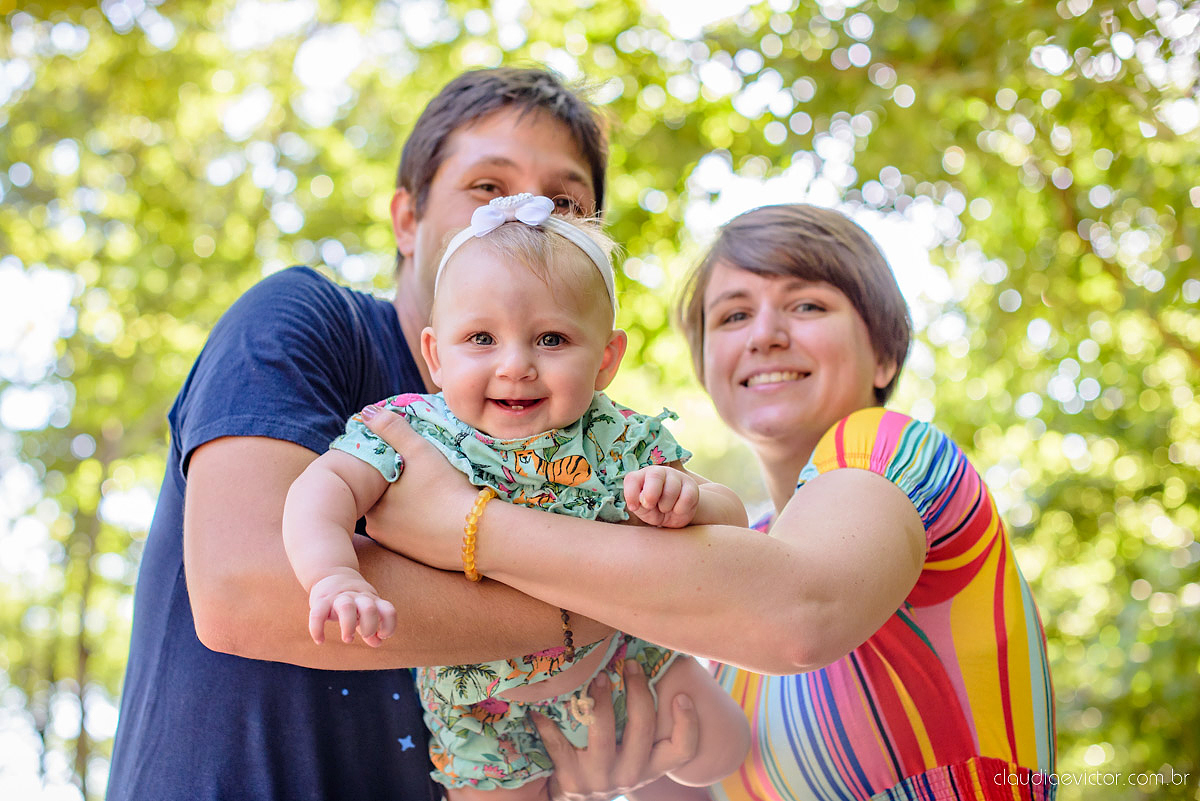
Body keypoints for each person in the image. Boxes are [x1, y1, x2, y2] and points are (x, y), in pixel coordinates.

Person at [106, 68, 700, 801]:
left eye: (564, 202)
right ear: (407, 220)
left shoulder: (571, 435)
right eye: (488, 186)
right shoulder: (308, 323)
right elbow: (242, 590)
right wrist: (610, 603)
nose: (525, 214)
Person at [356, 204, 1058, 800]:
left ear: (883, 353)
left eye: (807, 304)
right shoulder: (709, 585)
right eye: (731, 316)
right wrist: (596, 766)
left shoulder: (894, 448)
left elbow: (800, 617)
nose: (765, 334)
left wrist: (467, 525)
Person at [282, 194, 750, 800]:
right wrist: (332, 576)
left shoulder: (617, 435)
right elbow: (323, 488)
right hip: (481, 704)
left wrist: (685, 498)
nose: (516, 365)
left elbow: (732, 517)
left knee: (722, 746)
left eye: (552, 339)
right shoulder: (413, 431)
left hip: (620, 657)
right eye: (480, 337)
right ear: (435, 356)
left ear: (606, 359)